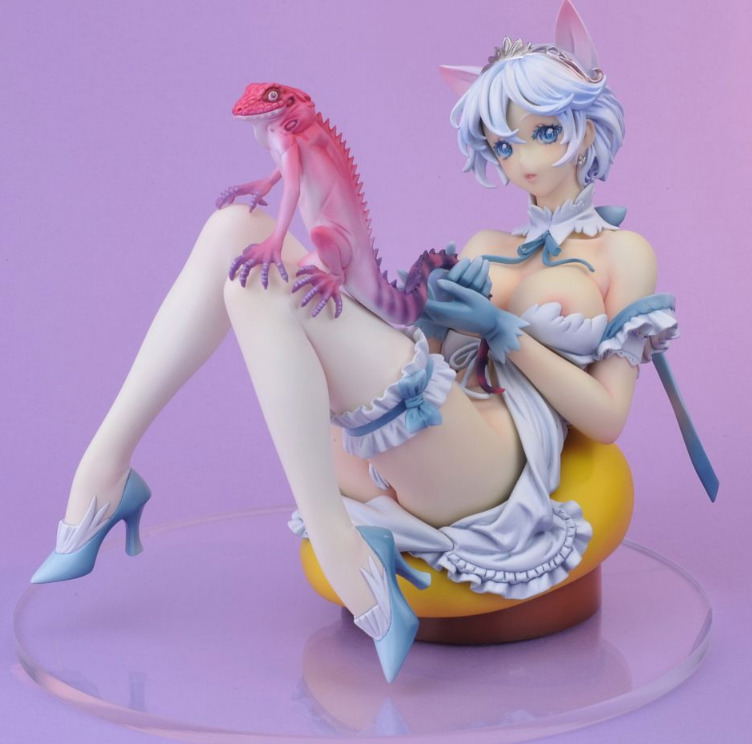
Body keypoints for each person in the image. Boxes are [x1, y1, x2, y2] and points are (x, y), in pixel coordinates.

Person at [31, 1, 704, 683]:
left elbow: (608, 418)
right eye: (503, 145)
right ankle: (105, 470)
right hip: (424, 437)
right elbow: (434, 364)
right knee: (234, 231)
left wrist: (505, 333)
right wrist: (439, 321)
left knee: (257, 284)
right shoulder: (486, 243)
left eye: (543, 132)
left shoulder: (623, 254)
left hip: (492, 464)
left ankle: (337, 552)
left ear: (587, 125)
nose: (522, 160)